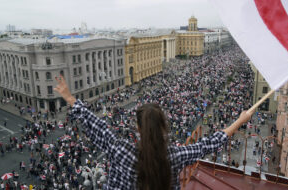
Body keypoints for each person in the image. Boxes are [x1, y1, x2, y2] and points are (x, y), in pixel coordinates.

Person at [54, 75, 251, 190]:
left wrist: (70, 98)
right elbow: (209, 143)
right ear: (163, 126)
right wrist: (240, 121)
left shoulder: (120, 150)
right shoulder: (174, 155)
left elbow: (97, 125)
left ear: (138, 128)